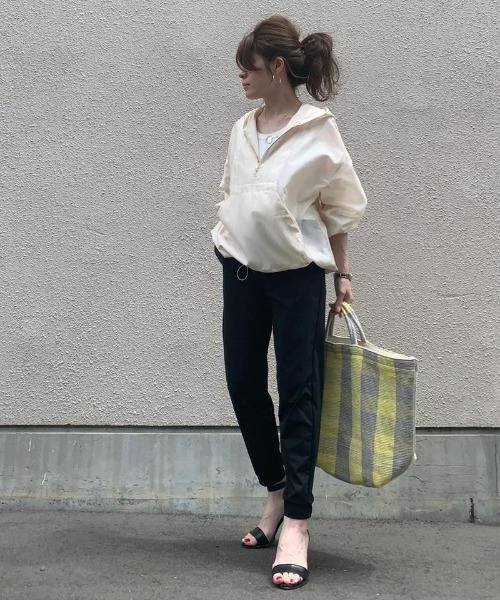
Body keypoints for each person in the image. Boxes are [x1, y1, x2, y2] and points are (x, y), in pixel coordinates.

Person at [211, 15, 367, 590]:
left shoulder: (319, 131)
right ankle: (276, 490)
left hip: (297, 278)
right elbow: (231, 191)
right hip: (241, 275)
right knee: (242, 383)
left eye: (249, 68)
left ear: (277, 68)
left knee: (299, 394)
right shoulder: (241, 128)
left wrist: (342, 275)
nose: (242, 77)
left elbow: (338, 210)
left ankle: (297, 521)